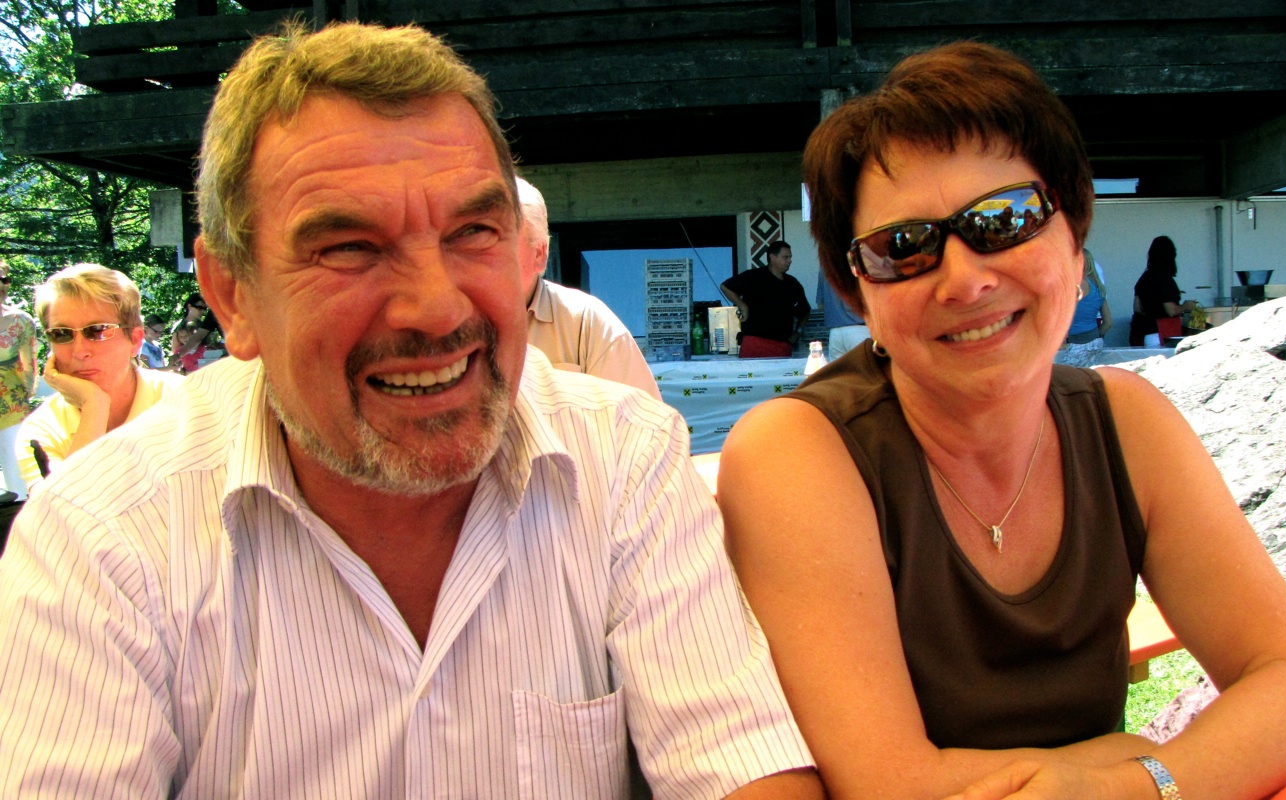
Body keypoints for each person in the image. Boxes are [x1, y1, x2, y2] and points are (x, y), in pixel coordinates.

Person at [0, 22, 818, 800]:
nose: (436, 307)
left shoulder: (624, 457)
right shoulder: (101, 538)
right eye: (349, 247)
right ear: (231, 295)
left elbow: (738, 769)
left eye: (473, 230)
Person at [718, 41, 1286, 800]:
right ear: (860, 296)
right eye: (902, 247)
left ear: (1075, 243)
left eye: (1005, 219)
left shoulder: (1126, 422)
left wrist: (1136, 785)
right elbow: (890, 784)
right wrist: (1126, 758)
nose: (965, 280)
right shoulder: (801, 450)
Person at [14, 263, 182, 489]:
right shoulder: (42, 430)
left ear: (135, 340)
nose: (80, 351)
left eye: (98, 331)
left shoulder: (188, 401)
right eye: (61, 334)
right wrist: (94, 406)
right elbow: (65, 508)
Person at [517, 178, 661, 399]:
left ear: (539, 254)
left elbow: (642, 419)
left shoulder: (587, 322)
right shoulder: (459, 319)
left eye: (500, 242)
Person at [720, 240, 810, 358]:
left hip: (782, 346)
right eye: (785, 257)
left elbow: (805, 310)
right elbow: (726, 287)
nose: (790, 261)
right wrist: (742, 306)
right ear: (772, 257)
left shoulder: (793, 284)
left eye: (790, 257)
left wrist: (798, 331)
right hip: (754, 343)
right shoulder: (754, 276)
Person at [0, 261, 38, 499]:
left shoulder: (20, 320)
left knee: (19, 482)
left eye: (5, 279)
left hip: (11, 404)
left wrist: (26, 394)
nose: (2, 285)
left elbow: (29, 364)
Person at [1130, 235, 1197, 346]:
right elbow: (1171, 310)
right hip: (1161, 334)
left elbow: (1137, 307)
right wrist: (1185, 306)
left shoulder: (1144, 278)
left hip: (1144, 333)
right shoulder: (1164, 279)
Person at [1054, 247, 1113, 367]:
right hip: (1094, 344)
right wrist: (1094, 337)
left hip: (1072, 344)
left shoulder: (1075, 286)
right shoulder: (1099, 288)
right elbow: (1108, 323)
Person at [816, 269, 870, 360]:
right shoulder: (859, 263)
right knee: (865, 368)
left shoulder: (825, 267)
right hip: (860, 328)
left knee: (840, 369)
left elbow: (820, 305)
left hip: (835, 333)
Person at [168, 291, 221, 371]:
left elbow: (211, 344)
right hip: (185, 367)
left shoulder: (205, 325)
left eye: (205, 309)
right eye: (199, 307)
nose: (202, 311)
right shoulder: (179, 326)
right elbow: (175, 351)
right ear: (189, 306)